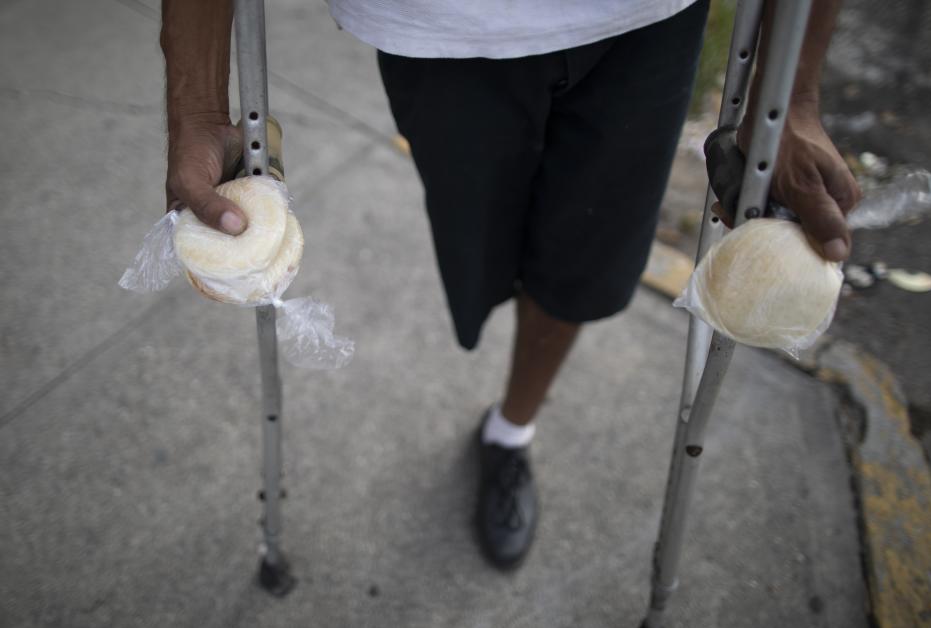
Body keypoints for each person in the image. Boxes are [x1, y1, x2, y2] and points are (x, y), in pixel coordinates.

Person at [161, 0, 860, 571]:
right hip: (441, 28)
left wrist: (792, 96)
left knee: (583, 264)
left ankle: (512, 431)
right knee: (478, 246)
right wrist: (197, 108)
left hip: (646, 22)